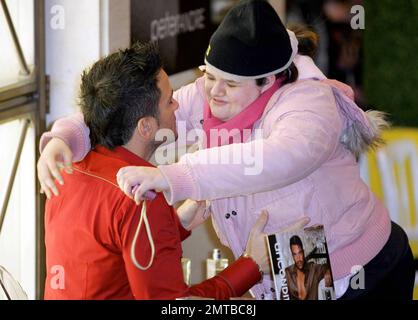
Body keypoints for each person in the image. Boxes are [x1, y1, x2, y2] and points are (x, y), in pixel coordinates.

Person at [37, 0, 415, 300]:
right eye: (209, 75)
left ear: (269, 82)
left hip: (361, 272)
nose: (213, 92)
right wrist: (63, 139)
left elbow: (276, 159)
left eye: (230, 84)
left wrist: (174, 176)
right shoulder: (211, 99)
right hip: (297, 278)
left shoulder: (310, 105)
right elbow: (126, 110)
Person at [43, 41, 280, 300]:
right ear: (145, 127)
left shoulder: (65, 171)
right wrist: (251, 264)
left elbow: (109, 257)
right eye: (169, 101)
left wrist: (177, 223)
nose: (178, 106)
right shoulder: (142, 198)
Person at [284, 235, 331, 300]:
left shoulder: (313, 268)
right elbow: (283, 295)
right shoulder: (288, 272)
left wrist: (327, 271)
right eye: (295, 254)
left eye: (300, 253)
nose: (298, 258)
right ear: (292, 256)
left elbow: (325, 267)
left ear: (303, 252)